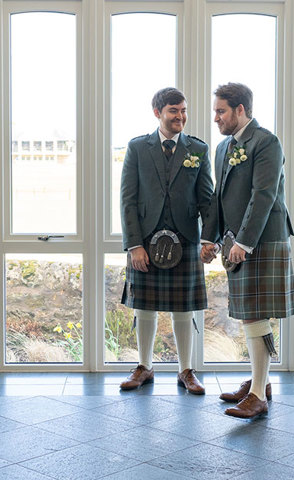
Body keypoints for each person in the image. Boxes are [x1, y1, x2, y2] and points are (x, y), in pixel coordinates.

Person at [201, 82, 294, 418]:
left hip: (263, 239)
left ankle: (257, 395)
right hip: (236, 240)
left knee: (256, 312)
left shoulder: (266, 142)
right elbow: (218, 198)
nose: (215, 117)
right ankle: (261, 382)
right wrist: (210, 239)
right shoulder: (222, 148)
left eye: (220, 111)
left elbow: (264, 195)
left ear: (240, 110)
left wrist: (243, 242)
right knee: (249, 312)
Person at [119, 87, 214, 394]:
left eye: (183, 110)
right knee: (144, 308)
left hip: (185, 240)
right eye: (174, 111)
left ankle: (186, 370)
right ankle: (144, 367)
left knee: (184, 309)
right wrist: (134, 245)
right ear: (158, 113)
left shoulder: (197, 149)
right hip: (145, 242)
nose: (180, 117)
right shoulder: (137, 148)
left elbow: (206, 200)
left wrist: (208, 240)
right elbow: (128, 200)